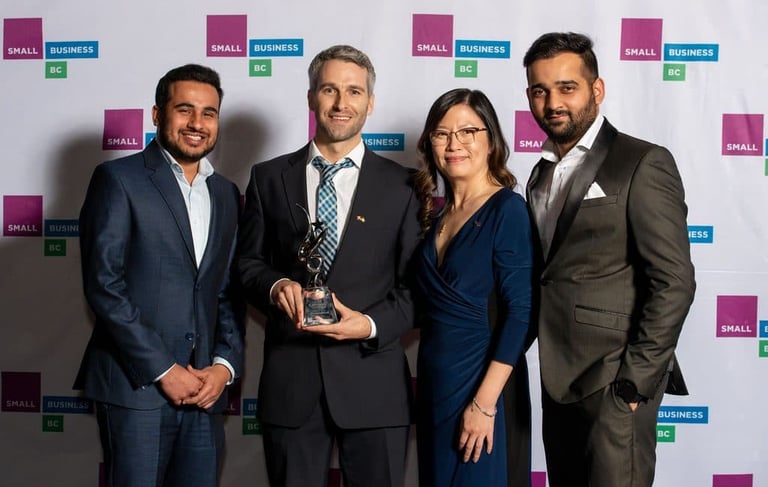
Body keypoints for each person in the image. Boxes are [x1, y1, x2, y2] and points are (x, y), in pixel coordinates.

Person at [237, 45, 420, 487]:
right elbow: (247, 265)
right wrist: (276, 285)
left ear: (370, 103)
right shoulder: (268, 177)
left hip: (374, 385)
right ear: (311, 97)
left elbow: (417, 289)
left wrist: (368, 326)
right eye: (329, 90)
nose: (341, 103)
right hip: (292, 384)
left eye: (354, 91)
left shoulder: (406, 186)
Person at [522, 32, 696, 487]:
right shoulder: (539, 174)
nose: (553, 103)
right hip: (556, 379)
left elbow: (674, 281)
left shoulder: (642, 162)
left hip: (615, 380)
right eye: (540, 91)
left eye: (567, 87)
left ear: (596, 89)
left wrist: (635, 383)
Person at [74, 64, 245, 487]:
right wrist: (165, 369)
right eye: (184, 109)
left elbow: (227, 290)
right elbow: (104, 285)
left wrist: (224, 366)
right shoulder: (118, 179)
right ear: (157, 114)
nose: (197, 123)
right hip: (137, 387)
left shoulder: (226, 193)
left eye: (208, 113)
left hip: (205, 391)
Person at [412, 88, 534, 487]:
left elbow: (520, 314)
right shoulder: (437, 215)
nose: (454, 144)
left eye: (467, 132)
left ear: (490, 140)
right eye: (442, 134)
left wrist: (484, 405)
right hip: (434, 387)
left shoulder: (507, 209)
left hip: (482, 387)